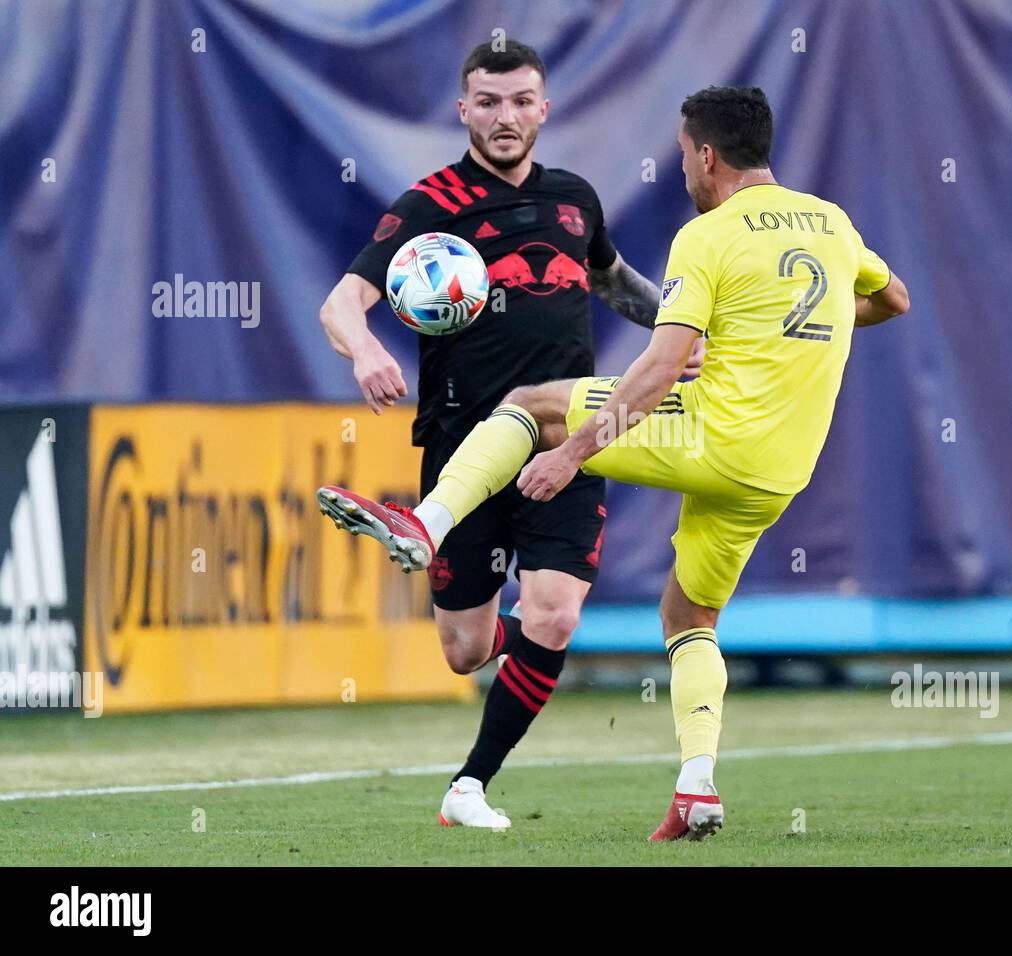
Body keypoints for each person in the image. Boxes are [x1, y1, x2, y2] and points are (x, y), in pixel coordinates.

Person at [321, 85, 908, 841]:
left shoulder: (709, 236)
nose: (685, 174)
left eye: (684, 156)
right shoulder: (831, 222)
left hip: (711, 433)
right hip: (780, 471)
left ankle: (426, 523)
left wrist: (571, 454)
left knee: (535, 405)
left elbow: (662, 366)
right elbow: (893, 297)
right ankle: (697, 786)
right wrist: (815, 322)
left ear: (705, 153)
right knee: (689, 617)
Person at [317, 40, 695, 830]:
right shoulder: (430, 206)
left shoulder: (574, 200)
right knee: (464, 649)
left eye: (522, 100)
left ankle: (469, 786)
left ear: (544, 108)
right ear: (464, 111)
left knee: (555, 613)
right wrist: (367, 346)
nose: (506, 117)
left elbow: (613, 281)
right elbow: (341, 304)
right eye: (488, 103)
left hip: (573, 437)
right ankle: (523, 656)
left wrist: (677, 331)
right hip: (465, 450)